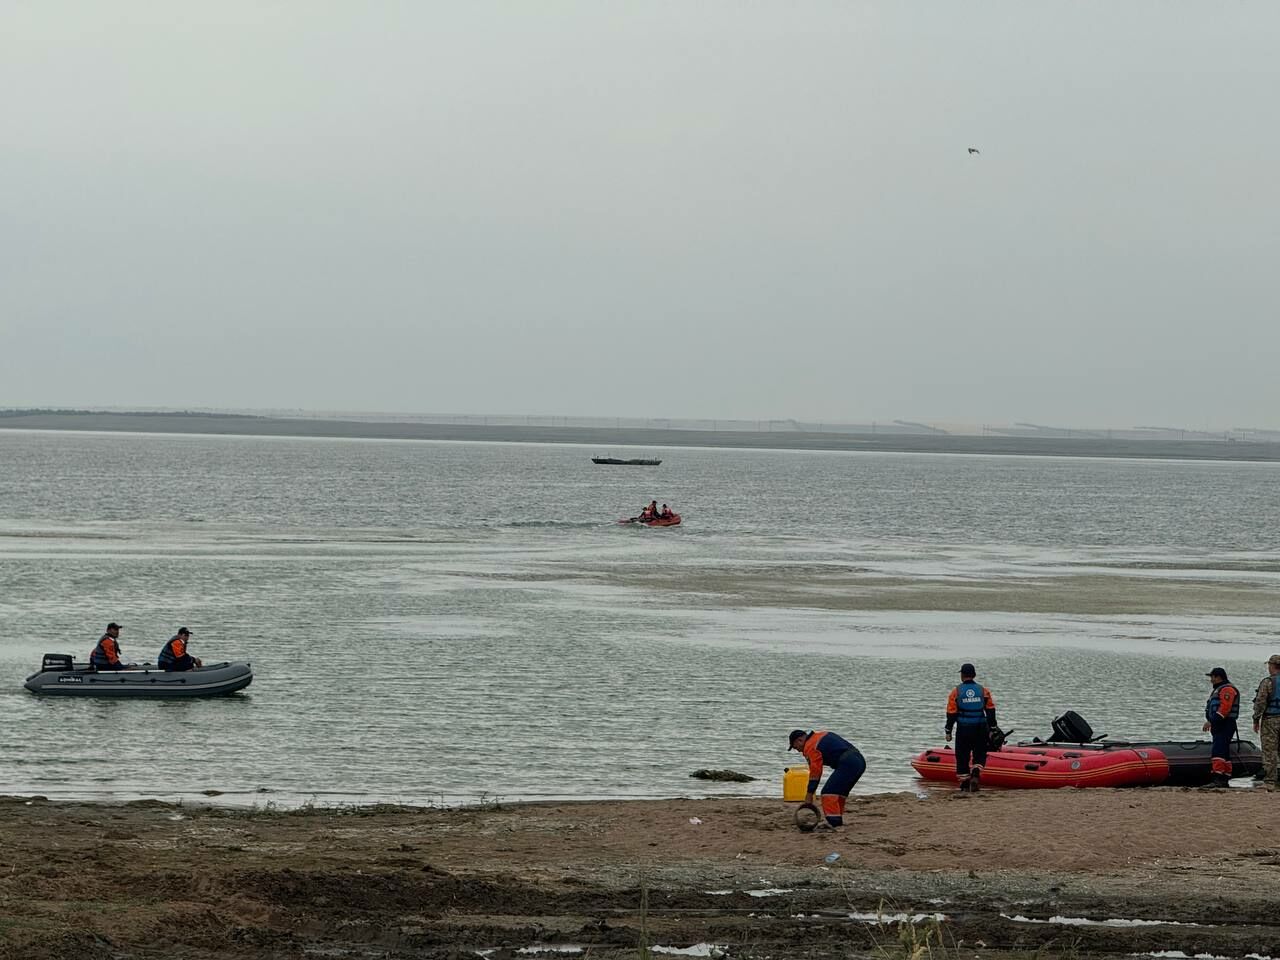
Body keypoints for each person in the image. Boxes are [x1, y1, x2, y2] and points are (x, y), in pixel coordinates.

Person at [787, 728, 866, 828]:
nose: (798, 750)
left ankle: (835, 823)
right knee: (839, 794)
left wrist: (809, 794)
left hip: (848, 763)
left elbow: (816, 771)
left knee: (828, 793)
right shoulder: (821, 735)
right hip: (859, 761)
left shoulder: (810, 746)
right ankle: (837, 819)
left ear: (800, 740)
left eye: (795, 747)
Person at [945, 663, 997, 792]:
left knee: (962, 755)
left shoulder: (956, 692)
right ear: (974, 675)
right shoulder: (983, 691)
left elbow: (951, 713)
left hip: (964, 728)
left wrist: (948, 730)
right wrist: (993, 728)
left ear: (962, 675)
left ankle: (965, 782)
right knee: (980, 753)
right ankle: (975, 772)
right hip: (981, 727)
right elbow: (990, 711)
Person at [1202, 666, 1240, 788]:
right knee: (1224, 752)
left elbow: (1225, 708)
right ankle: (1225, 778)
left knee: (1218, 751)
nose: (1211, 680)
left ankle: (1218, 779)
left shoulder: (1227, 689)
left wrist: (1211, 721)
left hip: (1225, 724)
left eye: (1212, 677)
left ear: (1218, 677)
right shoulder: (1220, 689)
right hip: (1221, 724)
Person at [1251, 654, 1280, 789]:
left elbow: (1260, 702)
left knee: (1270, 750)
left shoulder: (1268, 682)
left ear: (1272, 666)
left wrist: (1256, 719)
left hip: (1271, 719)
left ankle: (1270, 782)